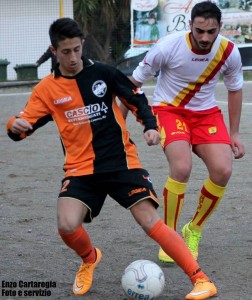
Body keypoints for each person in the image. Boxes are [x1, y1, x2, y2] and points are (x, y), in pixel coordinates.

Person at [6, 17, 217, 300]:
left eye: (77, 49)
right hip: (80, 169)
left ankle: (201, 279)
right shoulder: (47, 90)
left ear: (82, 45)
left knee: (149, 220)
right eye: (65, 52)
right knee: (66, 225)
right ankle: (90, 257)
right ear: (54, 51)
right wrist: (14, 126)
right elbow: (23, 125)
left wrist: (151, 127)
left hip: (121, 162)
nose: (73, 57)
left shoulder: (104, 73)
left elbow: (136, 97)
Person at [121, 1, 245, 264]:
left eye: (211, 32)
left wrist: (234, 133)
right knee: (182, 167)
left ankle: (194, 229)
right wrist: (117, 128)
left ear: (219, 28)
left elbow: (235, 89)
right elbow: (132, 85)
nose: (204, 37)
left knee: (223, 170)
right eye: (199, 31)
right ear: (190, 26)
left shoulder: (229, 51)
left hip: (206, 114)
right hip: (169, 110)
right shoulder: (167, 46)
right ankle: (170, 236)